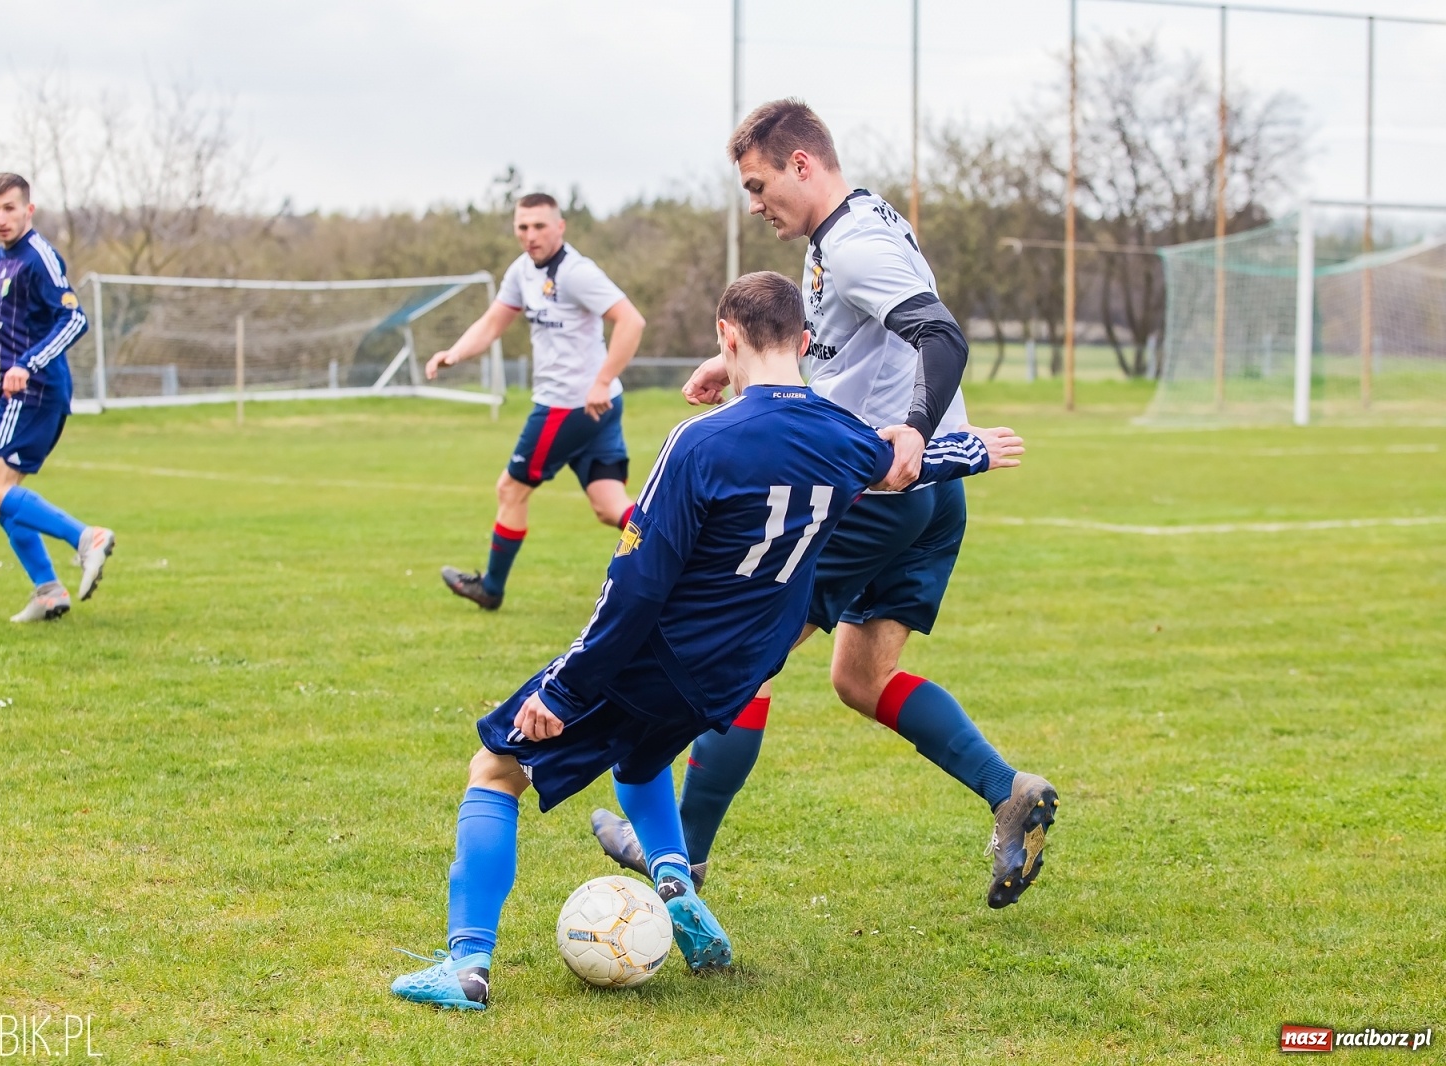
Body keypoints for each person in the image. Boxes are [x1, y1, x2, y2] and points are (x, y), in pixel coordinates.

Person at [390, 272, 1020, 1010]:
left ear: (727, 338)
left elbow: (636, 586)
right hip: (736, 673)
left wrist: (562, 691)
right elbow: (897, 466)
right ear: (807, 343)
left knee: (495, 767)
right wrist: (970, 453)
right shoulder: (841, 432)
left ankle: (466, 966)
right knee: (642, 755)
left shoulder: (699, 442)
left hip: (664, 658)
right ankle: (678, 890)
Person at [592, 99, 1058, 910]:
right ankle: (1007, 790)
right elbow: (844, 343)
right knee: (862, 675)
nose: (755, 202)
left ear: (801, 164)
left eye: (759, 183)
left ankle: (682, 857)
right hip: (928, 493)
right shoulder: (845, 228)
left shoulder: (854, 243)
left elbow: (940, 335)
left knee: (739, 654)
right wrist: (727, 358)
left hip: (882, 485)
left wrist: (910, 431)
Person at [425, 192, 646, 611]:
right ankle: (680, 553)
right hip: (597, 409)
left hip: (568, 408)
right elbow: (493, 322)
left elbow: (631, 321)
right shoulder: (522, 272)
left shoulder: (577, 273)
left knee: (510, 488)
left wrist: (601, 380)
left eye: (540, 226)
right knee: (608, 504)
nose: (531, 235)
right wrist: (454, 353)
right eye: (522, 227)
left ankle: (490, 588)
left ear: (560, 227)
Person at [0, 172, 114, 623]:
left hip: (36, 390)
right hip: (22, 390)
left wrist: (25, 365)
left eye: (9, 208)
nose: (0, 218)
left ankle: (85, 538)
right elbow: (1, 329)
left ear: (28, 209)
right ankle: (49, 591)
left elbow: (75, 321)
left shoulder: (39, 258)